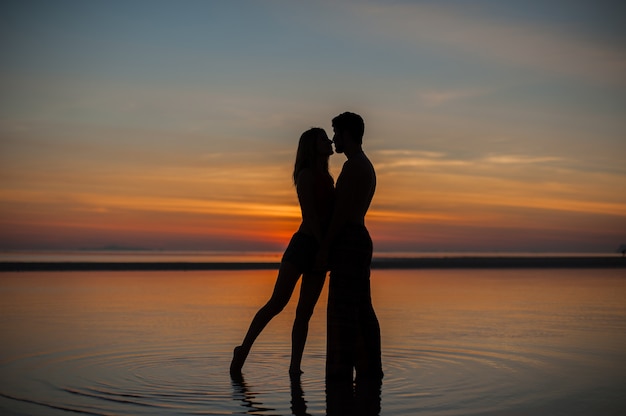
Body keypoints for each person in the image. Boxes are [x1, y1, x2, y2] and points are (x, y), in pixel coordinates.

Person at [230, 127, 334, 376]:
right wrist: (323, 248)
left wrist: (327, 248)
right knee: (277, 303)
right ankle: (243, 350)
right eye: (323, 138)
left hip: (321, 248)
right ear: (312, 145)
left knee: (305, 313)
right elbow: (309, 217)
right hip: (303, 246)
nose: (329, 140)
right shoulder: (306, 175)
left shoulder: (328, 178)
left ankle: (294, 368)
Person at [317, 112, 383, 383]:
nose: (334, 139)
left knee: (347, 312)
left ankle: (344, 376)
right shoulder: (363, 165)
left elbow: (341, 214)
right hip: (356, 241)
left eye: (336, 133)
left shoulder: (355, 166)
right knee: (359, 308)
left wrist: (324, 249)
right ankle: (368, 371)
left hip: (350, 242)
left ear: (347, 134)